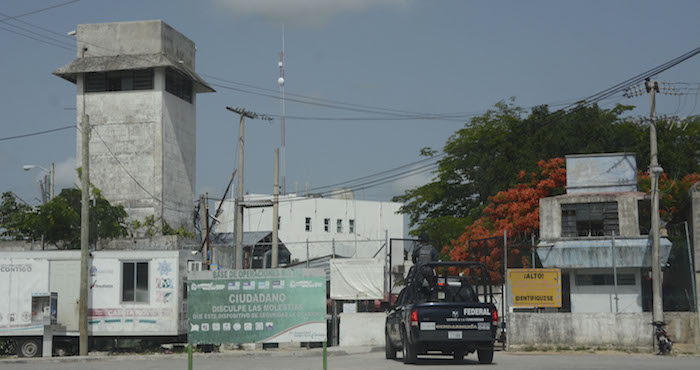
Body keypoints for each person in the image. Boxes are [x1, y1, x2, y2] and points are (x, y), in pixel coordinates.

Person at [412, 232, 438, 300]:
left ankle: (417, 299)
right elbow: (435, 260)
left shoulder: (417, 248)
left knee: (417, 287)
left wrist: (417, 265)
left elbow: (413, 259)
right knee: (433, 286)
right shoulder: (432, 248)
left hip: (419, 270)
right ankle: (433, 297)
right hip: (429, 269)